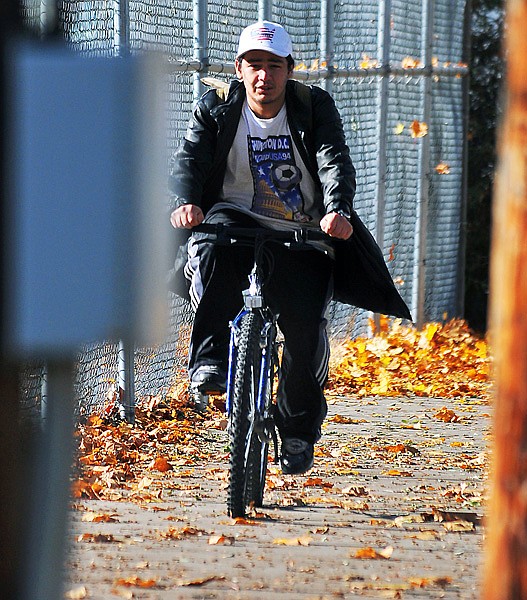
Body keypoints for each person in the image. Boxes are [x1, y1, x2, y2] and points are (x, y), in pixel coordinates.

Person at [169, 20, 411, 475]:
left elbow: (332, 157)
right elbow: (191, 158)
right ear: (239, 69)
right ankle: (210, 362)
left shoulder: (312, 105)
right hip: (234, 219)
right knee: (214, 252)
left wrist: (336, 210)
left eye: (274, 66)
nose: (264, 76)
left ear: (290, 70)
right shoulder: (217, 108)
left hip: (303, 228)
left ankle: (297, 431)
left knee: (303, 329)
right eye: (254, 65)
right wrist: (185, 203)